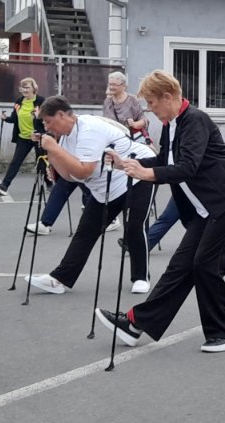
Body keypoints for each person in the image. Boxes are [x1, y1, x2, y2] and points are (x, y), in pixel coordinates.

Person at [96, 70, 225, 354]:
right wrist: (127, 163)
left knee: (206, 266)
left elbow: (188, 167)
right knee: (180, 266)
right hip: (206, 207)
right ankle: (136, 323)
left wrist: (147, 174)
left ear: (167, 97)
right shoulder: (171, 123)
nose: (150, 110)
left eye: (152, 103)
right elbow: (165, 159)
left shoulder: (194, 119)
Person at [25, 97, 156, 295]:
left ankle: (141, 277)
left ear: (61, 115)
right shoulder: (67, 137)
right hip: (105, 187)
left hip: (136, 176)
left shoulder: (89, 129)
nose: (46, 127)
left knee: (135, 227)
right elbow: (69, 176)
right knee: (85, 231)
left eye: (48, 122)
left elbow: (84, 171)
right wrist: (52, 152)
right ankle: (60, 279)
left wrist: (54, 148)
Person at [0, 77, 43, 197]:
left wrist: (38, 116)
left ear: (34, 88)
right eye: (22, 87)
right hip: (23, 138)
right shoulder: (19, 102)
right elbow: (14, 118)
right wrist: (6, 119)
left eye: (27, 87)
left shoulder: (41, 101)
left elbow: (47, 118)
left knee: (41, 162)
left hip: (37, 136)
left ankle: (49, 184)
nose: (24, 90)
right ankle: (4, 186)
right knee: (15, 162)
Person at [104, 71, 149, 143]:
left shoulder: (132, 100)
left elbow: (144, 121)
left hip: (130, 140)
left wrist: (134, 124)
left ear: (123, 86)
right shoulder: (107, 102)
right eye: (110, 84)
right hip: (113, 140)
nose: (111, 87)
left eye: (114, 85)